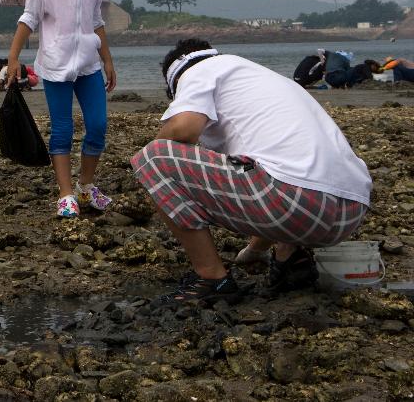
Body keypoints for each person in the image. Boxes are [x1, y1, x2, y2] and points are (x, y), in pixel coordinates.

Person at [132, 39, 371, 303]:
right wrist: (255, 250)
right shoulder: (259, 76)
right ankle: (289, 258)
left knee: (153, 157)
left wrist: (161, 143)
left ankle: (212, 277)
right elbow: (268, 166)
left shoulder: (197, 71)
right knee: (280, 166)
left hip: (297, 203)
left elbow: (184, 129)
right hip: (350, 212)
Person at [7, 0, 116, 218]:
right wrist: (13, 58)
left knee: (98, 126)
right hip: (56, 67)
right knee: (63, 130)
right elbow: (28, 19)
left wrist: (107, 59)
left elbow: (97, 22)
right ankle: (65, 193)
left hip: (89, 65)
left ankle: (86, 186)